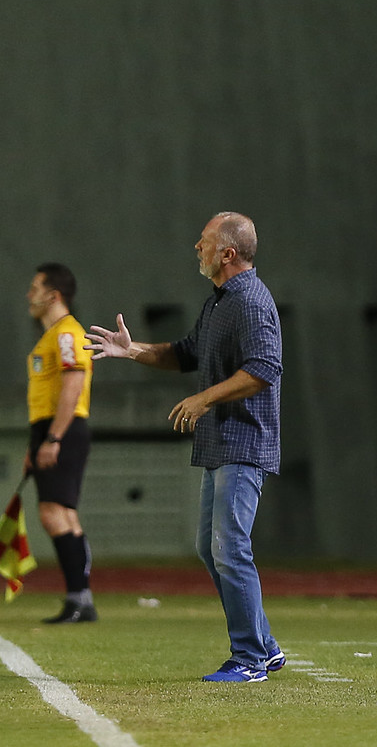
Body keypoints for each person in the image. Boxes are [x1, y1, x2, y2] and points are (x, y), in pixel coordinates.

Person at [85, 212, 285, 681]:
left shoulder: (251, 302)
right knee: (209, 547)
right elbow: (184, 353)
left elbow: (264, 368)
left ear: (227, 253)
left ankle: (250, 659)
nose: (197, 248)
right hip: (220, 444)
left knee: (229, 549)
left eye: (204, 242)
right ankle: (266, 646)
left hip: (244, 441)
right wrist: (131, 350)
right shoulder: (219, 303)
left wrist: (204, 397)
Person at [24, 262, 97, 624]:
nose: (29, 295)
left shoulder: (67, 334)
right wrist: (36, 441)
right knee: (64, 514)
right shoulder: (52, 336)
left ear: (53, 295)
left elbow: (73, 385)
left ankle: (79, 599)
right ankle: (80, 600)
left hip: (62, 429)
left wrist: (54, 437)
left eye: (35, 288)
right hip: (50, 429)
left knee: (54, 514)